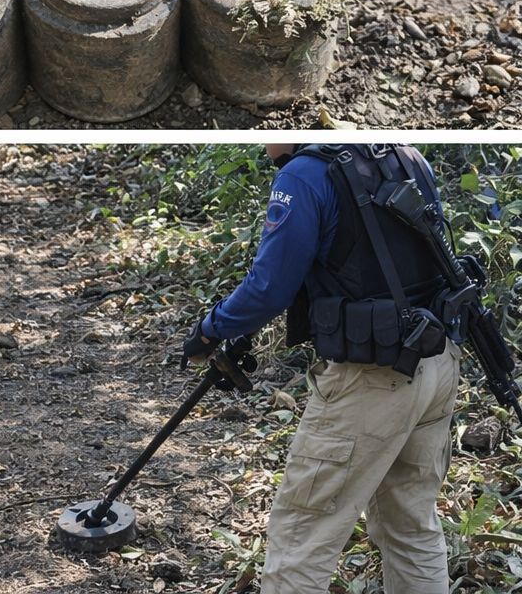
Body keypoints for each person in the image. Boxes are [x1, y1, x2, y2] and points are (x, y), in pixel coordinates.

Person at [183, 143, 461, 593]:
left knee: (301, 538)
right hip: (438, 361)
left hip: (371, 379)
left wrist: (210, 330)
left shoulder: (305, 175)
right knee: (411, 526)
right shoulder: (407, 155)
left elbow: (268, 289)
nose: (261, 146)